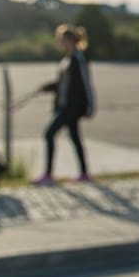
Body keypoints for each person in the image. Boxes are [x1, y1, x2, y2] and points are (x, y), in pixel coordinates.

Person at [31, 23, 97, 185]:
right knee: (75, 138)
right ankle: (84, 173)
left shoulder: (78, 59)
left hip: (71, 107)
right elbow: (63, 84)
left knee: (49, 134)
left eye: (62, 40)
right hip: (64, 105)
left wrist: (89, 106)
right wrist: (47, 87)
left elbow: (86, 84)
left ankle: (48, 174)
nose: (60, 43)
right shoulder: (66, 60)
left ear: (70, 41)